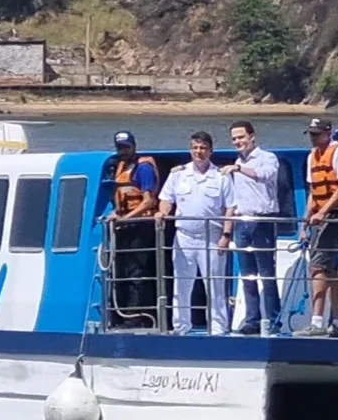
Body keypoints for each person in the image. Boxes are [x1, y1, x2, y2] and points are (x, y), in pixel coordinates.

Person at [158, 131, 235, 335]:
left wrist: (226, 235)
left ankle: (218, 328)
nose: (198, 152)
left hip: (212, 237)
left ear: (210, 151)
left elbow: (230, 208)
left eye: (202, 148)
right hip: (184, 236)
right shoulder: (178, 174)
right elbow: (166, 199)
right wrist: (163, 212)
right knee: (182, 284)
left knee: (215, 284)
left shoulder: (221, 177)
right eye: (194, 148)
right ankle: (181, 326)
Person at [220, 120, 282, 335]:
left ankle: (274, 320)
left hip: (263, 221)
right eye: (234, 138)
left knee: (267, 273)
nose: (238, 141)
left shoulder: (267, 158)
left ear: (252, 136)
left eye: (241, 137)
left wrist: (239, 169)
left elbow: (265, 176)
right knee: (247, 275)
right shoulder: (236, 163)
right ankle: (252, 320)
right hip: (242, 223)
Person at [296, 116, 338, 338]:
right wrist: (305, 221)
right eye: (310, 134)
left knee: (317, 267)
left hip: (335, 214)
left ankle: (317, 321)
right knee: (329, 269)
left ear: (328, 132)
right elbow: (314, 192)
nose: (313, 138)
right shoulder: (312, 156)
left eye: (316, 134)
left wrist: (323, 211)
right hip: (318, 218)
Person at [108, 131, 162, 328]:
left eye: (127, 147)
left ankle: (137, 317)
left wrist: (126, 218)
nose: (123, 151)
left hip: (142, 226)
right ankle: (123, 313)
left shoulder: (144, 168)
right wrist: (117, 214)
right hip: (126, 226)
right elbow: (121, 198)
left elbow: (149, 201)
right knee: (124, 271)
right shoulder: (121, 167)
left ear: (134, 146)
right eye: (120, 147)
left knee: (138, 273)